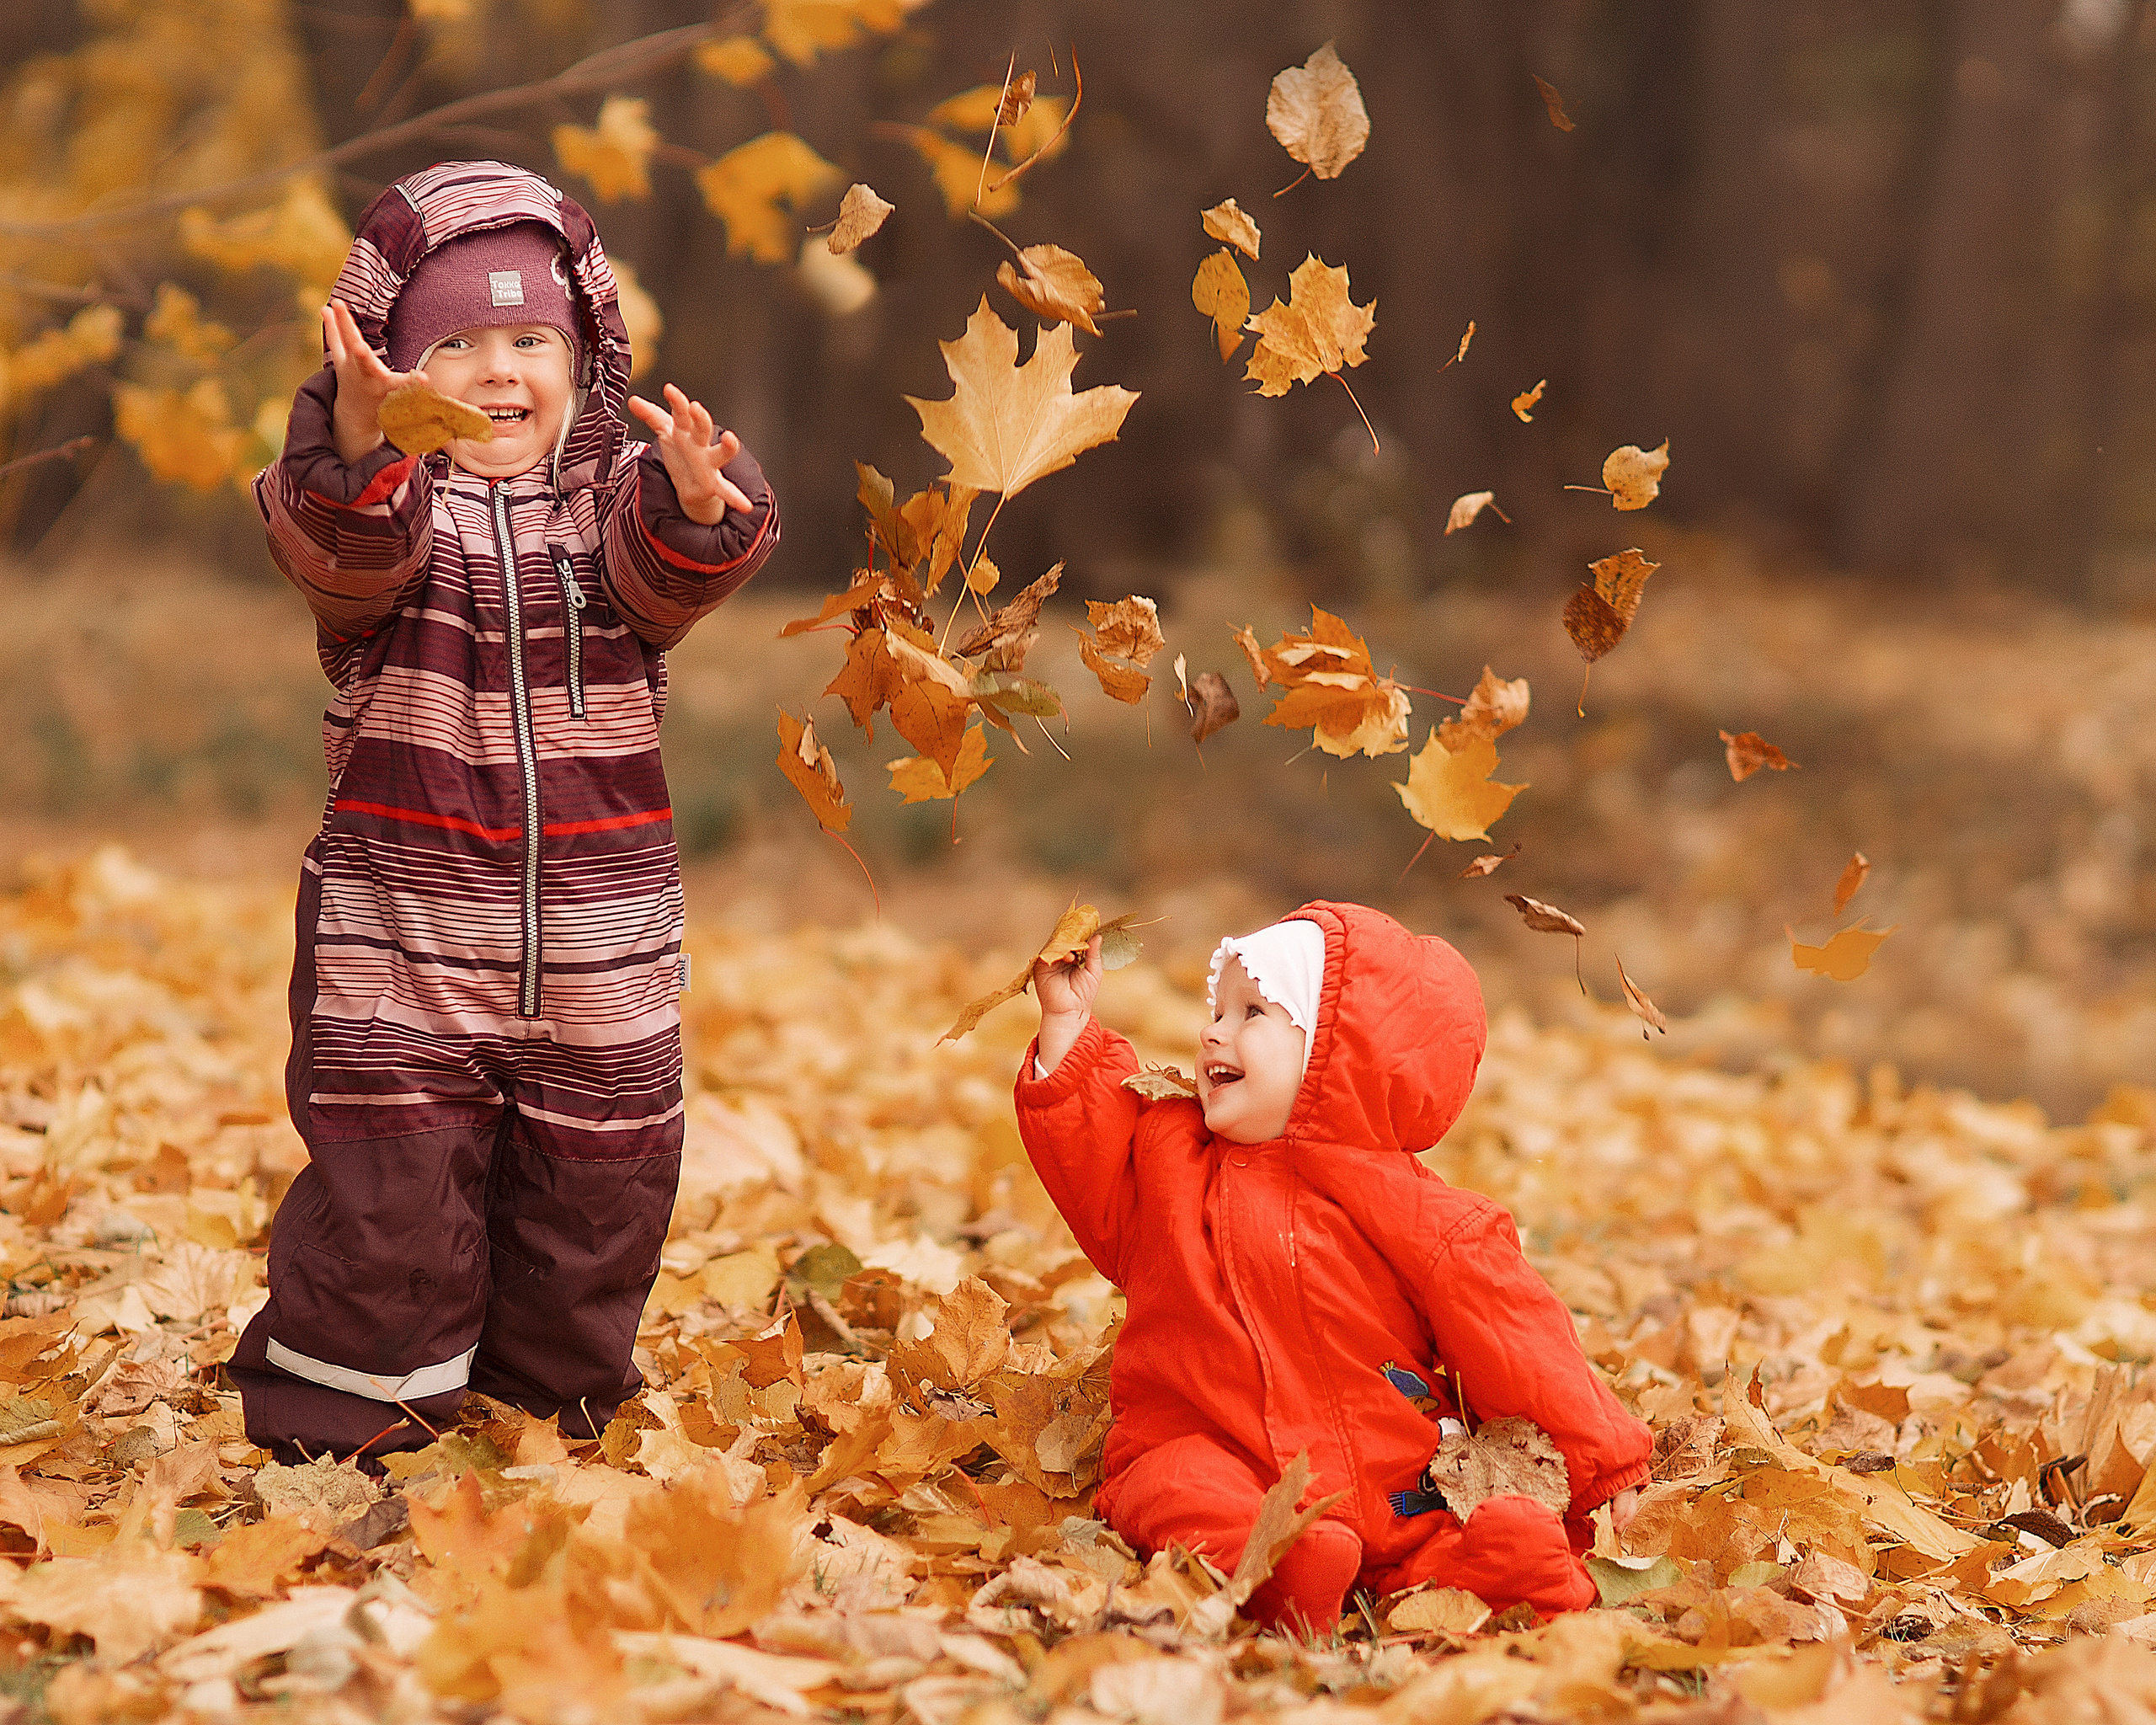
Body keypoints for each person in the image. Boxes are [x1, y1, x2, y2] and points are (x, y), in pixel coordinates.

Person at [228, 161, 778, 1464]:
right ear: (399, 370)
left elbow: (668, 580)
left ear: (581, 358)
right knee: (390, 1210)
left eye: (531, 339)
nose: (499, 370)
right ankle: (347, 1431)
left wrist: (702, 506)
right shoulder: (395, 525)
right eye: (458, 345)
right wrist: (360, 448)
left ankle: (547, 1421)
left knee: (597, 1200)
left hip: (602, 955)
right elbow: (339, 548)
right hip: (403, 953)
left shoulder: (608, 518)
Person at [1018, 900, 1652, 1632]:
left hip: (1390, 1473)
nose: (1212, 1031)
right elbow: (1092, 1147)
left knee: (1462, 1530)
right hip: (1215, 1445)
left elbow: (1515, 1335)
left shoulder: (1412, 1210)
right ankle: (1276, 1569)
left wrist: (1600, 1464)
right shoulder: (1166, 1161)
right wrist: (1065, 1029)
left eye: (1252, 1011)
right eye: (1216, 1011)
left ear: (1338, 1056)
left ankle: (1486, 1573)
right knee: (1179, 1490)